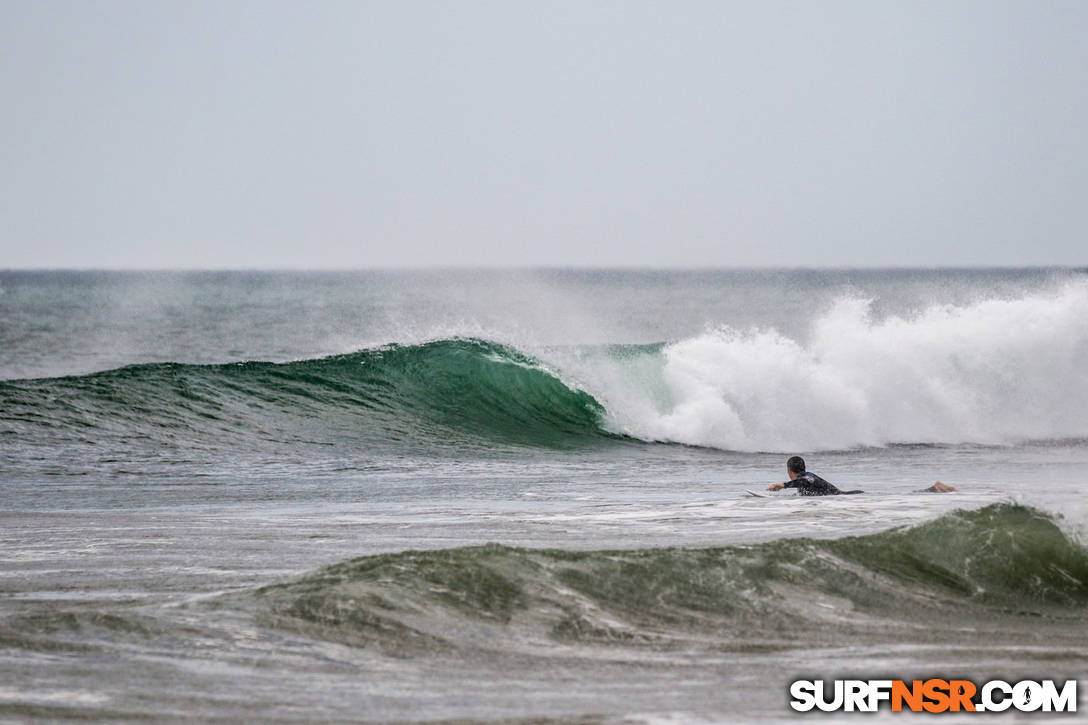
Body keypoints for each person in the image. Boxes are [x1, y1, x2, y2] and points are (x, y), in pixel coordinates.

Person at [766, 456, 863, 495]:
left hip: (848, 497)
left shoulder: (807, 477)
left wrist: (783, 485)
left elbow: (805, 481)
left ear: (789, 470)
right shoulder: (803, 479)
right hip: (846, 497)